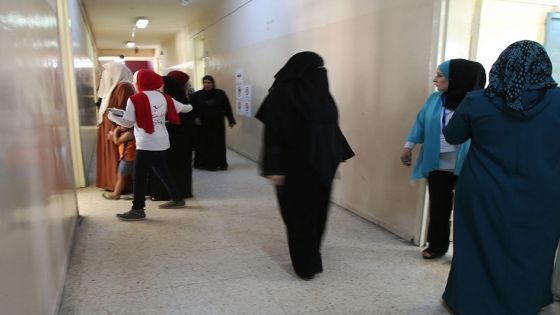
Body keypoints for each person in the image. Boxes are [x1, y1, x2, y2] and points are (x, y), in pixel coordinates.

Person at [442, 40, 560, 314]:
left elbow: (453, 135)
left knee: (477, 247)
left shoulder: (478, 100)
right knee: (533, 250)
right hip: (544, 192)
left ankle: (471, 301)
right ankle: (524, 302)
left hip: (483, 189)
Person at [255, 51, 354, 280]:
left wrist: (339, 152)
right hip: (292, 168)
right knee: (298, 216)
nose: (322, 73)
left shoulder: (322, 95)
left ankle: (310, 255)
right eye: (317, 69)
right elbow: (272, 135)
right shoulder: (279, 95)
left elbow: (331, 127)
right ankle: (304, 263)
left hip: (322, 166)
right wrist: (274, 168)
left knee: (318, 214)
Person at [400, 59, 486, 259]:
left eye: (440, 75)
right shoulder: (435, 99)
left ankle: (465, 253)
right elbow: (420, 122)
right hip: (437, 163)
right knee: (439, 208)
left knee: (467, 212)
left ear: (456, 79)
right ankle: (436, 246)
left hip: (467, 164)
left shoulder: (477, 102)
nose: (434, 79)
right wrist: (408, 146)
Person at [108, 69, 193, 221]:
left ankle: (138, 209)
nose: (134, 83)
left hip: (146, 143)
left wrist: (113, 115)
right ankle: (177, 198)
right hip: (162, 142)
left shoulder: (134, 99)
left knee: (139, 176)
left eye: (135, 80)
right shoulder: (164, 97)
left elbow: (127, 122)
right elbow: (187, 108)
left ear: (142, 82)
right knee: (162, 171)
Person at [148, 75, 195, 200]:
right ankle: (161, 193)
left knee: (174, 169)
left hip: (178, 144)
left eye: (161, 86)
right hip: (165, 142)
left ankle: (174, 194)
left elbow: (182, 123)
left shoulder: (179, 102)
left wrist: (164, 124)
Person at [95, 62, 134, 191]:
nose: (103, 77)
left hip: (115, 130)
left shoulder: (123, 87)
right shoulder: (117, 87)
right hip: (110, 129)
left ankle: (120, 187)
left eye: (106, 74)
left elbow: (123, 113)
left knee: (120, 158)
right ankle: (111, 183)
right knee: (112, 157)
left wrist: (116, 131)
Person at [191, 75, 236, 170]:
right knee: (203, 144)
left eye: (209, 83)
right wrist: (195, 118)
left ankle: (218, 164)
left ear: (213, 83)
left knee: (217, 144)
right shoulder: (197, 95)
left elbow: (227, 107)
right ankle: (202, 163)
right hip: (202, 125)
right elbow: (192, 109)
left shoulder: (220, 94)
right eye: (205, 83)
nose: (207, 85)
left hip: (217, 125)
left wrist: (230, 119)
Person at [102, 126, 135, 200]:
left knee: (121, 176)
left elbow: (117, 141)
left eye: (121, 125)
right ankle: (136, 194)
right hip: (129, 158)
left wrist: (116, 131)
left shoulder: (129, 134)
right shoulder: (127, 133)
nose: (119, 127)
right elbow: (117, 141)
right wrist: (112, 136)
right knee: (133, 177)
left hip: (127, 158)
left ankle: (116, 194)